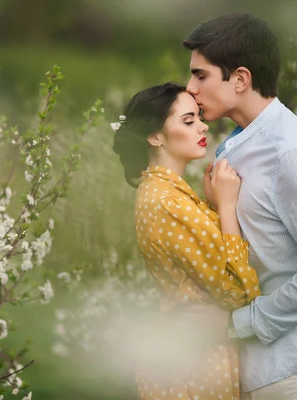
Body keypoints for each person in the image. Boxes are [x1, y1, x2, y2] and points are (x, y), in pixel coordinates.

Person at [182, 13, 297, 399]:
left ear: (240, 78)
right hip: (259, 368)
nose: (190, 88)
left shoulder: (292, 150)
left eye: (201, 75)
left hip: (293, 369)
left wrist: (236, 324)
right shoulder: (240, 144)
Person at [112, 82, 260, 400]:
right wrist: (228, 207)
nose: (203, 126)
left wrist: (213, 208)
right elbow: (237, 293)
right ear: (154, 136)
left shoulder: (167, 193)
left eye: (199, 118)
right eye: (188, 120)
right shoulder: (167, 201)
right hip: (195, 365)